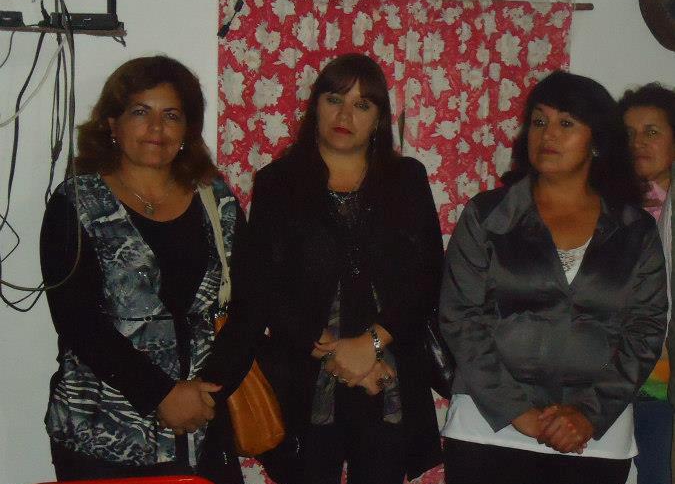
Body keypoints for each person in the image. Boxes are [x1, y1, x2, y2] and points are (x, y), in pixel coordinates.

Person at [439, 70, 668, 484]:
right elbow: (461, 317)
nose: (548, 134)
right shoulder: (488, 215)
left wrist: (588, 414)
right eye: (539, 121)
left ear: (597, 141)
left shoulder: (634, 230)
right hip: (489, 426)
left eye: (566, 123)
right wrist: (518, 411)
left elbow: (646, 329)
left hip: (592, 436)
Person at [40, 55, 252, 483]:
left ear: (187, 130)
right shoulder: (76, 204)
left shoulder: (218, 200)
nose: (157, 128)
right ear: (112, 125)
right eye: (140, 112)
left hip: (203, 425)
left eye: (171, 115)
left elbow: (251, 304)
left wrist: (204, 395)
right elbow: (77, 321)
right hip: (101, 435)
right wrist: (161, 395)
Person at [248, 53, 444, 484]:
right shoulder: (277, 183)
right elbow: (261, 283)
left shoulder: (407, 179)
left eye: (362, 104)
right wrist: (336, 352)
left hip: (390, 377)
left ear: (379, 118)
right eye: (334, 99)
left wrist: (373, 343)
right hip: (306, 374)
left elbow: (429, 276)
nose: (345, 115)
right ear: (315, 106)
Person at [621, 83, 675, 484]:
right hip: (607, 374)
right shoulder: (601, 204)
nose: (638, 142)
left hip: (663, 381)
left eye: (651, 131)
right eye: (628, 133)